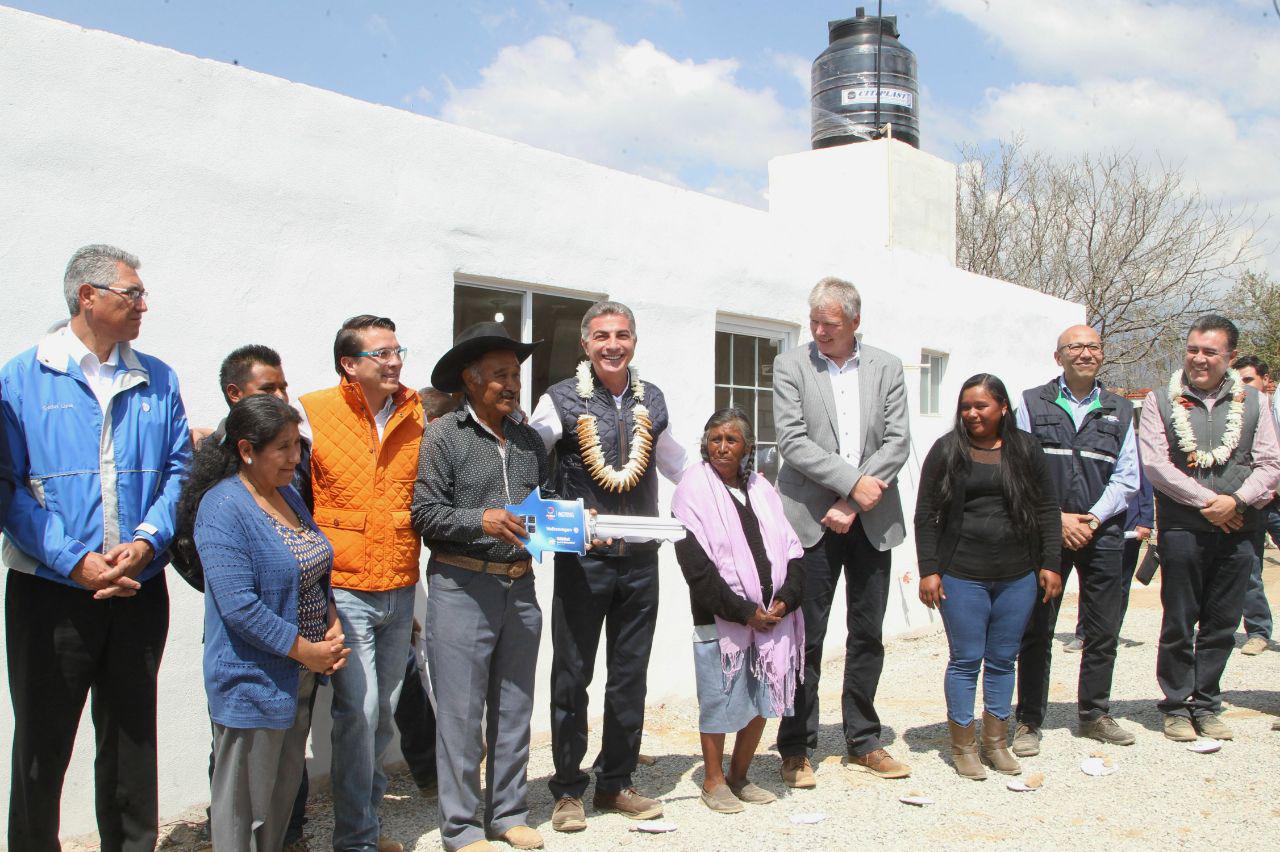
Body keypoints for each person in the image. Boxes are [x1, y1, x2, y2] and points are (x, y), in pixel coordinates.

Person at [1, 244, 191, 851]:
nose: (144, 305)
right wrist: (73, 560)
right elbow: (7, 488)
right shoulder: (22, 378)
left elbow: (181, 472)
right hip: (51, 594)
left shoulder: (158, 378)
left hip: (138, 587)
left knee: (132, 739)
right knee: (42, 742)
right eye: (131, 294)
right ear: (88, 296)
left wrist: (147, 539)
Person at [529, 300, 688, 830]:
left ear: (634, 342)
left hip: (641, 561)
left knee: (629, 676)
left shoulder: (653, 400)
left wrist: (726, 499)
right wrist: (560, 511)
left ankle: (616, 783)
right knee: (572, 674)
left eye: (621, 335)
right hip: (585, 561)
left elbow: (676, 464)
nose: (612, 345)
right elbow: (530, 461)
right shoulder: (560, 400)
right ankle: (569, 789)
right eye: (601, 336)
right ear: (585, 344)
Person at [180, 394, 349, 850]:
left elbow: (313, 568)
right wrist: (306, 650)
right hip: (252, 680)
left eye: (297, 445)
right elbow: (239, 606)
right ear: (246, 450)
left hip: (298, 678)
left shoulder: (288, 494)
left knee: (278, 804)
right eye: (283, 448)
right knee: (242, 811)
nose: (295, 458)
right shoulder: (223, 508)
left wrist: (330, 618)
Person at [412, 322, 551, 852]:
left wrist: (573, 530)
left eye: (515, 374)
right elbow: (424, 513)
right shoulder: (443, 435)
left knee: (514, 706)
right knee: (462, 714)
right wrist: (482, 520)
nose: (511, 384)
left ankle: (508, 813)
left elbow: (543, 510)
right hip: (460, 584)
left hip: (520, 586)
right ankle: (462, 827)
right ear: (470, 381)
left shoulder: (529, 440)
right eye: (499, 375)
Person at [771, 276, 911, 787]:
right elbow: (792, 440)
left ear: (855, 322)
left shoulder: (887, 366)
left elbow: (898, 440)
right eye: (814, 322)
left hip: (870, 519)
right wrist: (851, 484)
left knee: (867, 633)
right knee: (805, 636)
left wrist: (854, 500)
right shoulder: (791, 365)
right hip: (811, 518)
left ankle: (864, 739)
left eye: (829, 324)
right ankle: (796, 746)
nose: (819, 331)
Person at [297, 315, 424, 852]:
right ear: (350, 364)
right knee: (359, 711)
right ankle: (356, 840)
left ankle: (365, 826)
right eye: (381, 353)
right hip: (345, 589)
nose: (394, 361)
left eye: (397, 350)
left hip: (398, 583)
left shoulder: (417, 414)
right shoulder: (312, 413)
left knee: (383, 713)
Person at [1139, 314, 1280, 741]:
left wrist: (1235, 502)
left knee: (1221, 622)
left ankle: (1207, 703)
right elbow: (1155, 464)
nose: (1198, 359)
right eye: (1192, 350)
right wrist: (1210, 503)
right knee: (1179, 620)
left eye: (1209, 352)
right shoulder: (1159, 400)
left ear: (1231, 357)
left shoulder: (1254, 403)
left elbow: (1271, 464)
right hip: (1184, 529)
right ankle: (1176, 706)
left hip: (1239, 529)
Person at [915, 375, 1062, 779]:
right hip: (962, 574)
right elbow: (925, 514)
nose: (972, 413)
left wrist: (1051, 564)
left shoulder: (1026, 449)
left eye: (981, 406)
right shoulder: (947, 450)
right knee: (965, 660)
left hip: (1017, 575)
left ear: (1002, 408)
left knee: (1003, 659)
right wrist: (929, 570)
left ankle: (996, 742)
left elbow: (1048, 508)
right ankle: (963, 746)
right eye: (966, 406)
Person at [1012, 325, 1140, 754]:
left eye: (1093, 347)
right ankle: (1028, 720)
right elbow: (1021, 468)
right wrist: (1058, 518)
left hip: (1102, 533)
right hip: (1047, 532)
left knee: (1104, 628)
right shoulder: (1031, 402)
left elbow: (1127, 477)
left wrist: (1093, 517)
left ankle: (1095, 714)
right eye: (1076, 347)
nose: (1085, 353)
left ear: (1102, 355)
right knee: (1037, 628)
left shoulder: (1121, 409)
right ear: (1058, 356)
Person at [672, 408, 805, 813]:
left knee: (764, 696)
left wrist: (786, 598)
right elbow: (696, 567)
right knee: (719, 699)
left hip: (772, 618)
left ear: (748, 447)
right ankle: (713, 781)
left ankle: (739, 775)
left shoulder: (763, 489)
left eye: (732, 440)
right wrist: (743, 610)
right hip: (719, 616)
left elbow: (792, 549)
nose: (722, 447)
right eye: (715, 439)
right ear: (704, 444)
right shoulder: (691, 490)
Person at [392, 385, 457, 799]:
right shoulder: (403, 457)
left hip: (397, 588)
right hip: (353, 588)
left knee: (406, 673)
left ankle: (435, 774)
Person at [1064, 465, 1154, 654]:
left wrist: (1145, 520)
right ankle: (1082, 634)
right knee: (1090, 582)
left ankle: (1110, 631)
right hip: (1097, 519)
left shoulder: (1133, 442)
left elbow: (1144, 482)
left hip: (1128, 520)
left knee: (1121, 583)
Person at [1232, 354, 1277, 657]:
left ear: (1265, 381)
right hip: (1252, 501)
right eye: (1238, 381)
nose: (1243, 387)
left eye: (1248, 380)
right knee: (1249, 566)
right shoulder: (1236, 415)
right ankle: (1258, 631)